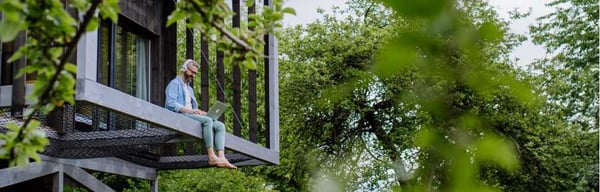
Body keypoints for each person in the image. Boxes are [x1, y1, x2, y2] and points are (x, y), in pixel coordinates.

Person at [165, 59, 237, 169]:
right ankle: (212, 156)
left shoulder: (189, 89)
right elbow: (170, 103)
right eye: (192, 72)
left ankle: (222, 157)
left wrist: (199, 112)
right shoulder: (174, 84)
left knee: (220, 126)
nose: (193, 76)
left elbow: (192, 108)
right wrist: (192, 111)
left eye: (195, 73)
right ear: (184, 69)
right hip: (178, 117)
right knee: (208, 121)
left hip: (189, 116)